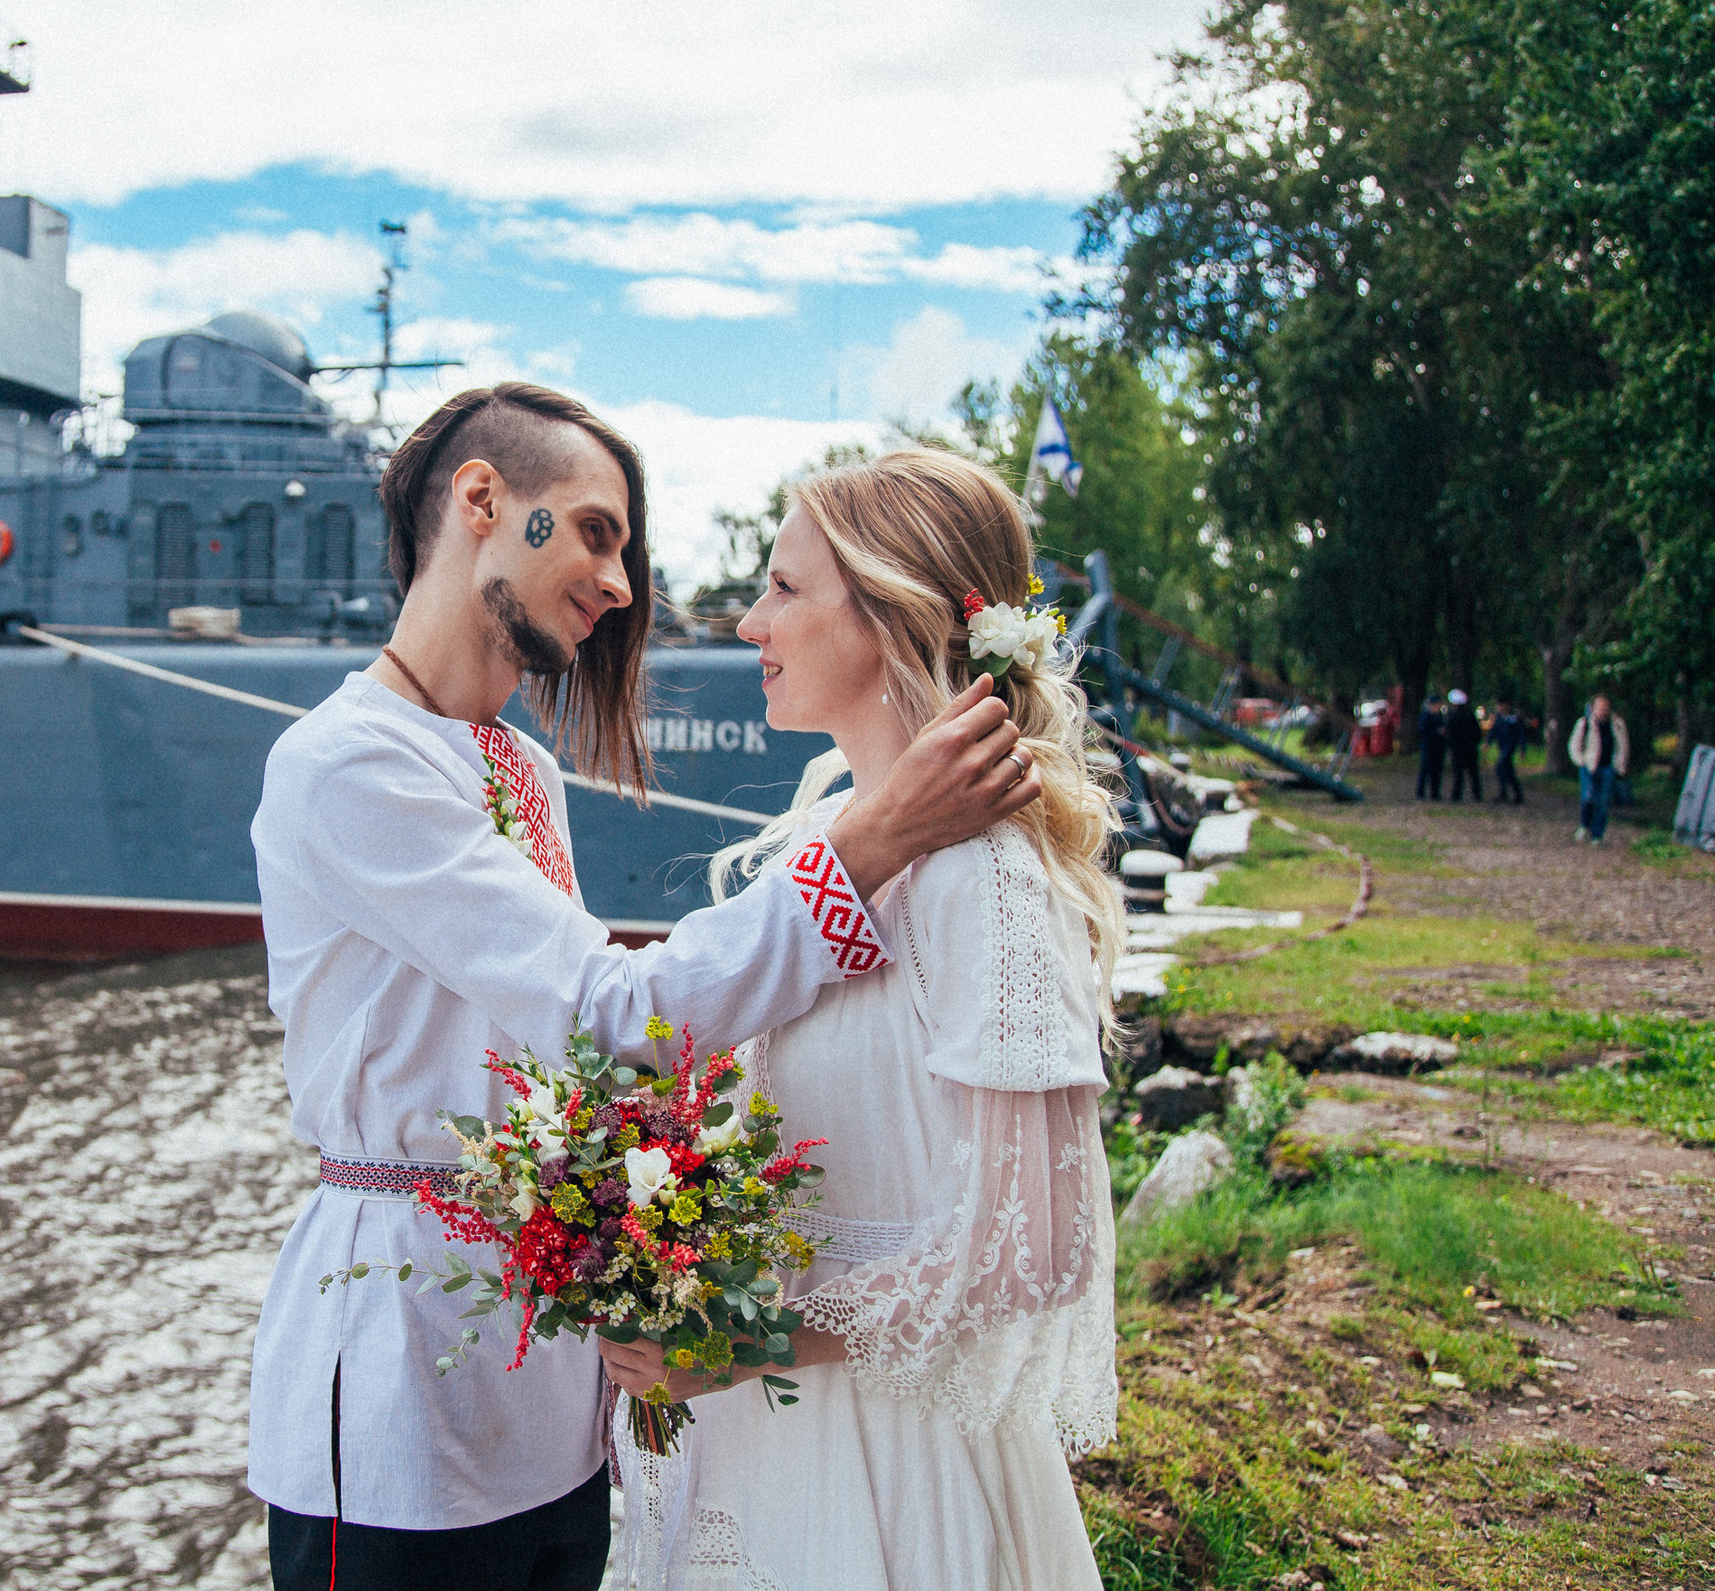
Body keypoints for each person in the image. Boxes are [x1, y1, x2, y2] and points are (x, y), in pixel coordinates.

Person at [246, 386, 1042, 1591]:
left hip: (558, 1386)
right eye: (594, 532)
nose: (622, 587)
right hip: (408, 1381)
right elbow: (606, 1019)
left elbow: (580, 1068)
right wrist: (866, 846)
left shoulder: (517, 766)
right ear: (481, 503)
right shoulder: (347, 763)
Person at [601, 447, 1120, 1591]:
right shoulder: (827, 844)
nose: (748, 623)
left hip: (893, 1471)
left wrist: (751, 1343)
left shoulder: (982, 878)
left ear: (893, 617)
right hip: (760, 1440)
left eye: (784, 589)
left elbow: (1034, 1246)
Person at [1569, 693, 1629, 843]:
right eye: (1600, 707)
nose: (1602, 711)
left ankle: (1597, 835)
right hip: (1589, 767)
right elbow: (1574, 744)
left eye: (1605, 708)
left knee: (1603, 802)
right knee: (1588, 798)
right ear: (1593, 708)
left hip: (1608, 767)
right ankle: (1584, 825)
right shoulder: (1584, 724)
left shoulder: (1617, 725)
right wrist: (1580, 760)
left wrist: (1620, 765)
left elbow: (1623, 745)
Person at [1445, 689, 1483, 802]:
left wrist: (1449, 745)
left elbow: (1449, 733)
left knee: (1458, 773)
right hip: (1471, 748)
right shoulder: (1470, 714)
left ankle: (1456, 795)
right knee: (1473, 773)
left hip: (1457, 749)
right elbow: (1477, 733)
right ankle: (1477, 795)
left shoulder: (1452, 716)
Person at [1490, 699, 1527, 804]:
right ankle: (1515, 794)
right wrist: (1488, 742)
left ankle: (1504, 793)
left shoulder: (1515, 718)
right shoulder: (1498, 718)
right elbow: (1494, 731)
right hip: (1501, 747)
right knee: (1508, 772)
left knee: (1500, 766)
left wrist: (1522, 748)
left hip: (1510, 747)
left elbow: (1521, 733)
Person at [1414, 690, 1448, 800]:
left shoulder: (1440, 716)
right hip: (1428, 747)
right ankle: (1420, 792)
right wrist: (1436, 732)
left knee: (1437, 771)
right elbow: (1422, 730)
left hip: (1438, 747)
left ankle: (1435, 793)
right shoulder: (1426, 716)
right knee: (1425, 770)